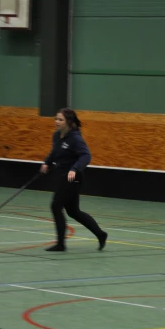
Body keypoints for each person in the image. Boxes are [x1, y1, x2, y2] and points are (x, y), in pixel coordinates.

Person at [40, 108, 107, 252]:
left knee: (56, 206)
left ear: (69, 122)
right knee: (73, 211)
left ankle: (60, 244)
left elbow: (86, 156)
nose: (56, 122)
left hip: (73, 178)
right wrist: (47, 162)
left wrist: (74, 169)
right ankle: (101, 234)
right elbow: (54, 152)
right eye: (56, 119)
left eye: (60, 120)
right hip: (61, 176)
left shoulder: (75, 138)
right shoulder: (57, 136)